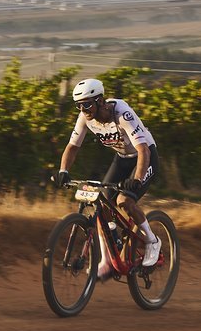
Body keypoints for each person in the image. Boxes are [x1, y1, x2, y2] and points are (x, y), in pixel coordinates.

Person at [52, 78, 161, 278]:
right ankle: (107, 258)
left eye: (87, 104)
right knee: (100, 205)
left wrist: (136, 179)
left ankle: (152, 241)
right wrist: (63, 171)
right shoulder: (85, 118)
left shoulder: (122, 113)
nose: (83, 109)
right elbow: (73, 146)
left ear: (100, 101)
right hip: (122, 158)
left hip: (145, 157)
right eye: (78, 105)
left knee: (124, 201)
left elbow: (143, 149)